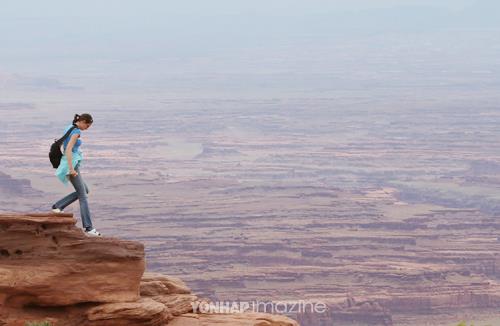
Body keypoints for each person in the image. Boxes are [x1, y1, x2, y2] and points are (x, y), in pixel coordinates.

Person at [52, 113, 101, 237]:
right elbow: (68, 149)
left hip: (70, 163)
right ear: (83, 121)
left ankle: (58, 206)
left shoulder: (70, 127)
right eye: (87, 126)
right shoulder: (76, 132)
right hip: (71, 164)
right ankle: (89, 227)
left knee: (85, 190)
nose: (87, 128)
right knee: (83, 196)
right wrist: (71, 168)